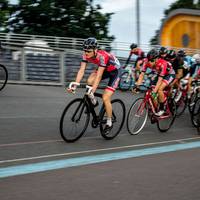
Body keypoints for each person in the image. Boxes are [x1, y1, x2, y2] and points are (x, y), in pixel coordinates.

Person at [67, 37, 122, 134]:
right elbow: (82, 70)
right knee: (89, 80)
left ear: (95, 50)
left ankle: (109, 122)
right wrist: (75, 84)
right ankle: (93, 101)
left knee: (105, 97)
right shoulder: (85, 54)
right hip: (105, 69)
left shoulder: (102, 56)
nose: (86, 53)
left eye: (88, 51)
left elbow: (99, 76)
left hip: (115, 72)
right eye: (85, 50)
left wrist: (92, 91)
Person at [135, 48, 175, 116]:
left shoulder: (163, 63)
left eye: (152, 60)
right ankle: (156, 110)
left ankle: (162, 108)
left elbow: (160, 80)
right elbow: (142, 74)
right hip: (159, 74)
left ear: (156, 59)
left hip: (169, 74)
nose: (150, 62)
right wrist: (137, 86)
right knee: (152, 91)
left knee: (159, 90)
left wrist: (155, 90)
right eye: (149, 60)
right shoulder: (146, 61)